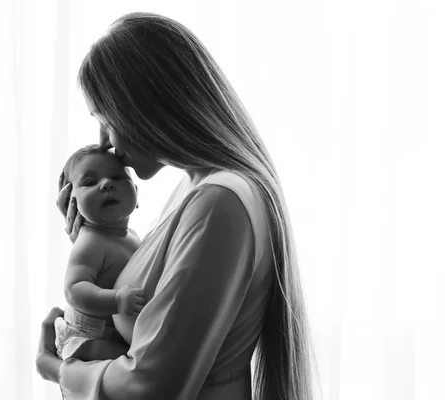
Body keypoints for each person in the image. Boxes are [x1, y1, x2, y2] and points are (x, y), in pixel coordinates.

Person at [36, 12, 315, 400]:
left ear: (144, 106)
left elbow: (152, 386)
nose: (105, 144)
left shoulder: (217, 202)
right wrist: (96, 247)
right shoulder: (198, 189)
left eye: (105, 119)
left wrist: (61, 370)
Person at [53, 145, 146, 362]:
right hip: (87, 337)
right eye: (90, 182)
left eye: (116, 176)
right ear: (71, 203)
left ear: (136, 193)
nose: (106, 184)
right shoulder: (89, 243)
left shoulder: (131, 235)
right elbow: (74, 289)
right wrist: (116, 300)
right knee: (130, 363)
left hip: (112, 333)